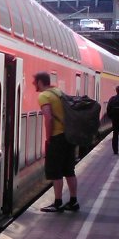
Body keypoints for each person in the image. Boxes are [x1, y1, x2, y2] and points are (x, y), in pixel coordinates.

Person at [33, 71, 79, 213]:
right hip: (69, 136)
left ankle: (58, 203)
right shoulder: (58, 92)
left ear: (40, 82)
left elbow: (49, 118)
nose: (34, 84)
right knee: (69, 170)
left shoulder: (44, 96)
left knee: (56, 171)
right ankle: (73, 201)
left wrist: (48, 138)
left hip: (57, 137)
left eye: (35, 82)